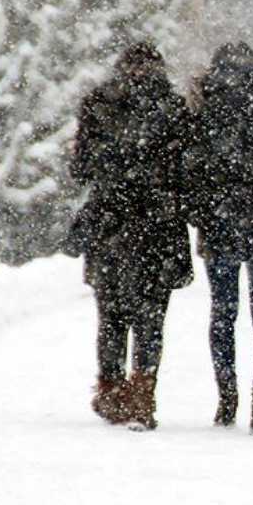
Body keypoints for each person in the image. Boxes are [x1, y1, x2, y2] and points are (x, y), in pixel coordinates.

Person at [70, 41, 194, 432]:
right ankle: (143, 392)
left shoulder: (99, 103)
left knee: (110, 315)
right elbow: (186, 170)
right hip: (158, 224)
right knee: (151, 316)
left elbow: (80, 167)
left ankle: (110, 388)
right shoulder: (173, 108)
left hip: (110, 223)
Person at [188, 42, 253, 435]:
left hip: (221, 224)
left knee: (223, 313)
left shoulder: (205, 106)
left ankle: (227, 395)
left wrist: (202, 212)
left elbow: (194, 168)